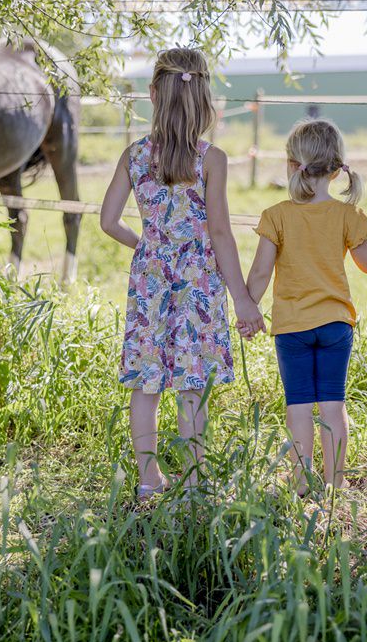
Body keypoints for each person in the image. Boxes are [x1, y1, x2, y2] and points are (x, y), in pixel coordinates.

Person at [100, 47, 265, 500]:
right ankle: (193, 482)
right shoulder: (212, 159)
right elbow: (221, 234)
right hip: (198, 284)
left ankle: (148, 480)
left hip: (149, 280)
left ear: (153, 94)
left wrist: (147, 247)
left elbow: (108, 221)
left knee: (146, 382)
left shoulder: (133, 156)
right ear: (205, 100)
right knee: (192, 385)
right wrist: (243, 299)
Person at [246, 119, 367, 494]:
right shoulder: (349, 215)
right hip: (335, 325)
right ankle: (333, 487)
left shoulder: (276, 216)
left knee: (298, 406)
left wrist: (248, 308)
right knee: (333, 405)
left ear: (290, 165)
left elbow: (261, 273)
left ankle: (300, 485)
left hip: (292, 327)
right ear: (335, 170)